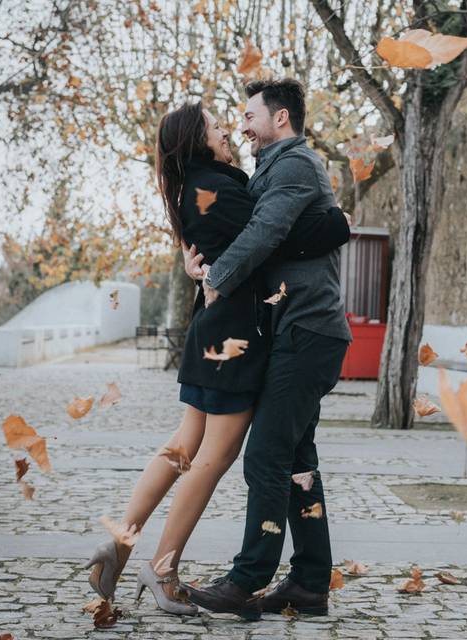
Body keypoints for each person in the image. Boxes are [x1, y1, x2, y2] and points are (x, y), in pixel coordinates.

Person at [83, 101, 350, 617]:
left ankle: (118, 545)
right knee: (212, 458)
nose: (228, 130)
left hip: (214, 333)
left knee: (183, 447)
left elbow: (247, 239)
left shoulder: (194, 189)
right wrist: (337, 223)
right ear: (197, 141)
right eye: (217, 126)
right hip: (234, 339)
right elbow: (273, 235)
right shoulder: (221, 188)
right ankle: (162, 569)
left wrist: (201, 272)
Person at [184, 78, 352, 620]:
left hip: (308, 333)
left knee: (265, 457)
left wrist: (218, 281)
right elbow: (256, 233)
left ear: (280, 118)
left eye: (251, 114)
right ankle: (308, 584)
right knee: (298, 460)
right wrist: (202, 267)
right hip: (298, 333)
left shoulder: (294, 166)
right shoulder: (273, 168)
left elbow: (263, 233)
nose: (244, 124)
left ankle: (245, 581)